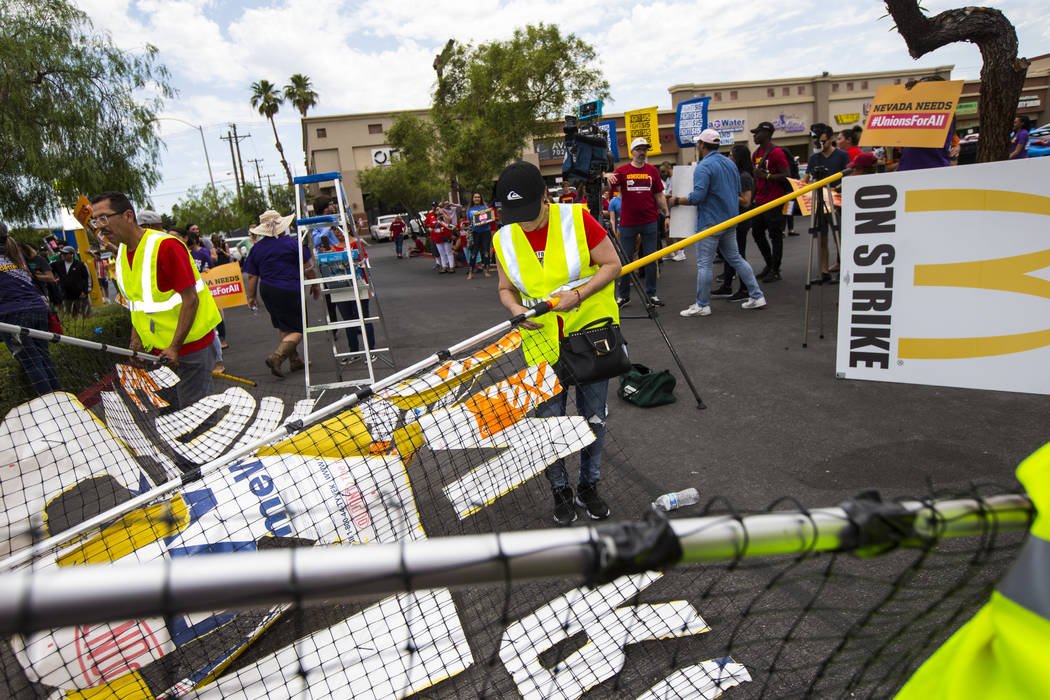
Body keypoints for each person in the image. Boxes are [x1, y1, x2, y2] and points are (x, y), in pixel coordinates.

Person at [493, 161, 622, 526]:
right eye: (515, 214)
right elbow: (505, 288)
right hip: (541, 344)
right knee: (549, 424)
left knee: (593, 417)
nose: (524, 222)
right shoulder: (503, 237)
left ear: (545, 198)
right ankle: (561, 491)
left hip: (590, 337)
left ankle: (589, 486)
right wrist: (516, 308)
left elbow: (612, 265)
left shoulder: (577, 219)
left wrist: (578, 295)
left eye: (530, 213)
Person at [90, 192, 221, 409]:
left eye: (104, 218)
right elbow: (138, 303)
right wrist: (137, 339)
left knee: (198, 418)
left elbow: (190, 300)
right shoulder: (122, 252)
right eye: (95, 221)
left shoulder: (167, 246)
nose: (99, 226)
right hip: (158, 354)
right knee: (171, 417)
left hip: (189, 350)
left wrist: (174, 347)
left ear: (128, 216)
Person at [669, 129, 766, 317]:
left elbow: (698, 196)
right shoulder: (730, 165)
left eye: (698, 143)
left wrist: (677, 201)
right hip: (730, 220)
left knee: (704, 264)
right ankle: (756, 295)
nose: (697, 146)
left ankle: (702, 304)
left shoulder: (704, 167)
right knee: (736, 258)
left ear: (702, 145)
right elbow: (737, 192)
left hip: (710, 221)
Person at [242, 210, 319, 377]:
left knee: (283, 325)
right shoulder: (292, 243)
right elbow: (308, 267)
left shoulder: (257, 249)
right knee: (299, 328)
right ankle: (277, 357)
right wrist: (315, 284)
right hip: (290, 288)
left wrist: (251, 296)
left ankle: (295, 360)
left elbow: (252, 276)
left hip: (268, 290)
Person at [604, 136, 669, 307]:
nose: (642, 152)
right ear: (632, 152)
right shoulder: (623, 170)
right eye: (639, 149)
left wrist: (667, 215)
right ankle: (624, 295)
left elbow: (659, 195)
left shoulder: (652, 171)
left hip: (649, 220)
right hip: (628, 222)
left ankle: (651, 295)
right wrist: (606, 175)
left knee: (650, 259)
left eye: (644, 149)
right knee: (625, 260)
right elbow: (606, 186)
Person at [0, 224, 62, 396]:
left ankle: (50, 403)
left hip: (12, 314)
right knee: (43, 357)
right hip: (37, 309)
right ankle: (60, 399)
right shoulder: (13, 253)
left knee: (31, 361)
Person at [803, 123, 850, 280]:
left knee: (840, 237)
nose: (820, 145)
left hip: (837, 201)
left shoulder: (842, 155)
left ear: (831, 139)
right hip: (820, 202)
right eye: (817, 141)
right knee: (822, 237)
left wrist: (836, 187)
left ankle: (844, 267)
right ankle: (824, 271)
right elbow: (806, 178)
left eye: (823, 141)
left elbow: (848, 175)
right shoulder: (814, 158)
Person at [711, 144, 757, 301]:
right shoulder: (736, 174)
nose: (729, 158)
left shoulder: (744, 176)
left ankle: (745, 289)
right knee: (729, 254)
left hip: (741, 219)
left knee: (738, 255)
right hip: (732, 218)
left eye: (731, 155)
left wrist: (727, 193)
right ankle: (727, 285)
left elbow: (746, 201)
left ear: (738, 158)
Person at [751, 121, 790, 282]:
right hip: (760, 200)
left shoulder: (776, 152)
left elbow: (786, 174)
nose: (754, 136)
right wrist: (752, 198)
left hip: (775, 200)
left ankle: (775, 269)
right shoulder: (755, 153)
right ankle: (769, 263)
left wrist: (767, 176)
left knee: (775, 235)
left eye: (757, 133)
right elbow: (755, 178)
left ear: (767, 134)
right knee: (757, 232)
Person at [51, 245, 92, 317]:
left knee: (83, 314)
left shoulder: (80, 264)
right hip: (66, 294)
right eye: (62, 254)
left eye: (65, 254)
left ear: (72, 254)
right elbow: (47, 268)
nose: (63, 255)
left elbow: (87, 278)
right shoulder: (58, 264)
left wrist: (86, 291)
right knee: (68, 315)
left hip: (80, 294)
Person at [465, 192, 494, 280]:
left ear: (481, 198)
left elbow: (491, 218)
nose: (477, 198)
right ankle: (470, 272)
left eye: (478, 197)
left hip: (485, 232)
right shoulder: (469, 210)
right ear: (472, 199)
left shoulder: (485, 208)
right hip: (475, 232)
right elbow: (470, 221)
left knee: (486, 251)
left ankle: (486, 270)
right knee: (473, 252)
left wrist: (486, 221)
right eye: (475, 197)